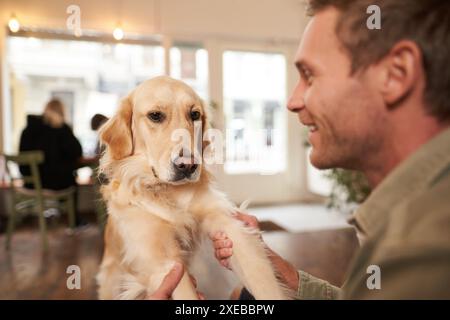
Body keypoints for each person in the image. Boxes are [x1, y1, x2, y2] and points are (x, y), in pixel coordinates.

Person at [151, 0, 450, 299]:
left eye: (310, 75)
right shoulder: (410, 214)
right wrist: (288, 275)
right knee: (243, 295)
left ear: (396, 75)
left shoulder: (421, 248)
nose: (292, 101)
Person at [19, 98, 87, 227]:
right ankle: (74, 222)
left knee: (64, 173)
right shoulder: (62, 129)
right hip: (55, 184)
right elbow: (77, 152)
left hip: (30, 183)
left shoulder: (27, 129)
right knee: (71, 178)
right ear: (61, 112)